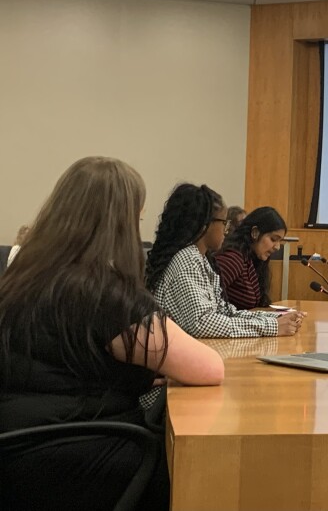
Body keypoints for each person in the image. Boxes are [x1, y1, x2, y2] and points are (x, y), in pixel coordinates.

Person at [0, 157, 224, 511]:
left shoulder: (20, 278)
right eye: (136, 218)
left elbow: (57, 363)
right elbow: (209, 368)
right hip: (77, 454)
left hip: (18, 448)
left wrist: (127, 376)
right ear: (118, 224)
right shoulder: (103, 294)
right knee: (202, 475)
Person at [145, 184, 305, 338]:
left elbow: (225, 311)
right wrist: (272, 327)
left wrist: (274, 320)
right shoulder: (186, 258)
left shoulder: (202, 259)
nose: (226, 230)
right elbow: (203, 323)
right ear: (204, 225)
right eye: (224, 223)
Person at [214, 206, 286, 310]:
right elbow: (209, 303)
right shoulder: (232, 259)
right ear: (255, 232)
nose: (277, 247)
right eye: (273, 239)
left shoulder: (251, 259)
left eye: (280, 241)